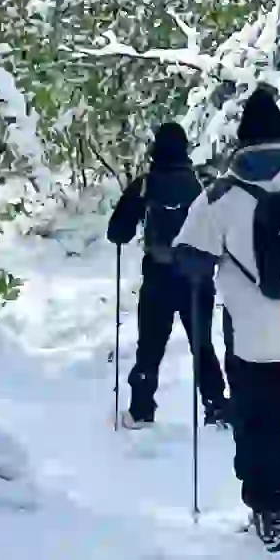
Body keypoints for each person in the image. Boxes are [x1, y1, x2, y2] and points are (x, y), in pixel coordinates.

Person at [180, 86, 280, 550]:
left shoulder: (221, 196)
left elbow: (190, 259)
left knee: (259, 424)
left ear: (242, 140)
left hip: (250, 340)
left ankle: (271, 512)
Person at [107, 120, 223, 434]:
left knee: (150, 347)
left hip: (158, 278)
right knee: (203, 346)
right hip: (196, 281)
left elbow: (117, 232)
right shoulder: (200, 185)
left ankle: (141, 410)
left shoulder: (146, 184)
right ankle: (216, 407)